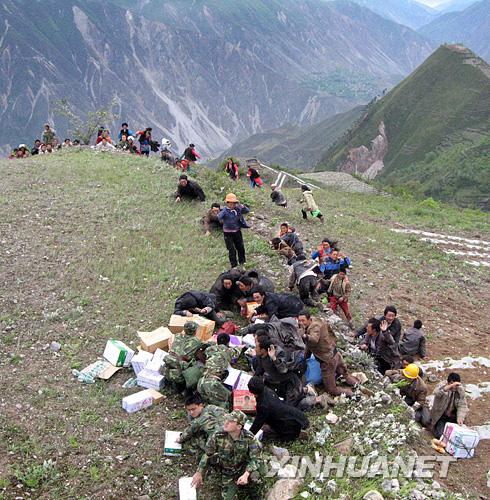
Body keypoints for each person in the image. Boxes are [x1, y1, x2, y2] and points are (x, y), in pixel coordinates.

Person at [191, 410, 265, 499]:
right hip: (227, 472)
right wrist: (199, 472)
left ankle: (255, 494)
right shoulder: (218, 435)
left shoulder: (249, 438)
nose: (226, 423)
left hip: (243, 467)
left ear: (238, 426)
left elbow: (256, 458)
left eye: (230, 421)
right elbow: (208, 454)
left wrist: (246, 474)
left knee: (256, 478)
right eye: (227, 419)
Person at [254, 336, 325, 410]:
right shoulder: (260, 356)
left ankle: (318, 399)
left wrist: (274, 359)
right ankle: (305, 390)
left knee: (291, 408)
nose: (255, 349)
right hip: (282, 382)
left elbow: (283, 370)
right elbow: (261, 367)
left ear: (263, 350)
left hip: (291, 382)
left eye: (256, 347)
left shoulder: (278, 353)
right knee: (280, 399)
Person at [299, 309, 359, 397]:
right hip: (335, 353)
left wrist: (304, 336)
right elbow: (309, 346)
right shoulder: (317, 320)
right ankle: (357, 384)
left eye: (303, 320)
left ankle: (351, 393)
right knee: (345, 375)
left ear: (308, 320)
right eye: (299, 320)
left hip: (327, 360)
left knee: (331, 389)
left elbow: (314, 339)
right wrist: (305, 358)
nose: (301, 323)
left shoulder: (313, 328)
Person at [248, 376, 310, 441]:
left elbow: (258, 423)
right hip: (297, 416)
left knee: (266, 430)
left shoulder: (263, 405)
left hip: (289, 424)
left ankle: (297, 433)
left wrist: (249, 435)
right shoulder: (268, 391)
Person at [197, 332, 244, 409]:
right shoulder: (228, 351)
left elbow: (205, 349)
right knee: (226, 400)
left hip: (201, 382)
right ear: (228, 343)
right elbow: (237, 351)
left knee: (208, 403)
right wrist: (240, 347)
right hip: (213, 383)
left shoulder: (210, 349)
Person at [163, 321, 210, 393]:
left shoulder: (178, 335)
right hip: (180, 374)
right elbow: (209, 345)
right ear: (195, 331)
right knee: (200, 370)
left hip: (166, 369)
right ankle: (186, 388)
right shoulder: (196, 341)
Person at [431, 373, 468, 439]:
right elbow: (436, 393)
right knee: (440, 435)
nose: (455, 387)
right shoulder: (442, 386)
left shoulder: (459, 390)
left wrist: (460, 418)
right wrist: (448, 387)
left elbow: (462, 405)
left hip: (453, 415)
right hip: (441, 415)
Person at [217, 193, 250, 268]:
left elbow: (246, 211)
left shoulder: (238, 208)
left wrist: (240, 204)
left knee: (240, 247)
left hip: (237, 231)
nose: (232, 206)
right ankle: (234, 265)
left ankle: (242, 261)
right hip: (227, 233)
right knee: (231, 249)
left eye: (233, 204)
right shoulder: (225, 210)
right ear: (227, 203)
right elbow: (218, 217)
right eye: (230, 204)